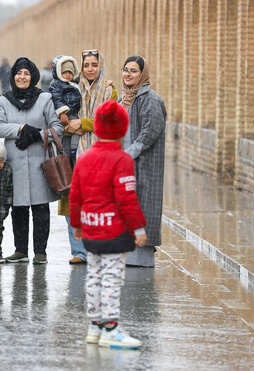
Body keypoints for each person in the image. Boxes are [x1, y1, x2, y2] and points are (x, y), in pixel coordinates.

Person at [70, 99, 147, 349]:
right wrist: (138, 228)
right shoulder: (122, 159)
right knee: (112, 279)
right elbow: (127, 198)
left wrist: (77, 226)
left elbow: (75, 196)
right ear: (122, 129)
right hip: (114, 232)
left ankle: (94, 325)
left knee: (93, 276)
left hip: (91, 230)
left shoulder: (84, 158)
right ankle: (111, 329)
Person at [0, 57, 63, 264]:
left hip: (40, 162)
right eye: (19, 73)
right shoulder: (3, 101)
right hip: (15, 163)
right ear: (13, 76)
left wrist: (37, 134)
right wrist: (22, 129)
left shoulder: (45, 99)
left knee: (41, 209)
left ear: (33, 77)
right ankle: (20, 250)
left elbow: (57, 127)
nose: (22, 77)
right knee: (19, 209)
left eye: (26, 73)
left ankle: (40, 252)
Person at [60, 49, 117, 265]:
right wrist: (71, 126)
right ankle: (79, 251)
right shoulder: (72, 89)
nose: (90, 69)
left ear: (100, 66)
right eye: (86, 65)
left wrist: (83, 123)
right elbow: (61, 117)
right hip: (74, 153)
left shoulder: (109, 92)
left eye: (94, 65)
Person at [120, 55, 166, 267]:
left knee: (143, 208)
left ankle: (142, 260)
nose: (128, 74)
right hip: (125, 166)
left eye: (134, 71)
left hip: (144, 165)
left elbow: (150, 131)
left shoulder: (151, 99)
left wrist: (129, 153)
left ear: (143, 74)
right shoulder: (125, 99)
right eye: (125, 70)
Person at [48, 55, 81, 163]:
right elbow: (56, 98)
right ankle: (67, 153)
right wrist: (62, 112)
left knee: (77, 131)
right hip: (66, 114)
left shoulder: (73, 84)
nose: (68, 75)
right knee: (65, 135)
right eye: (65, 72)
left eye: (70, 72)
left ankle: (73, 149)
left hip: (75, 113)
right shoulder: (57, 84)